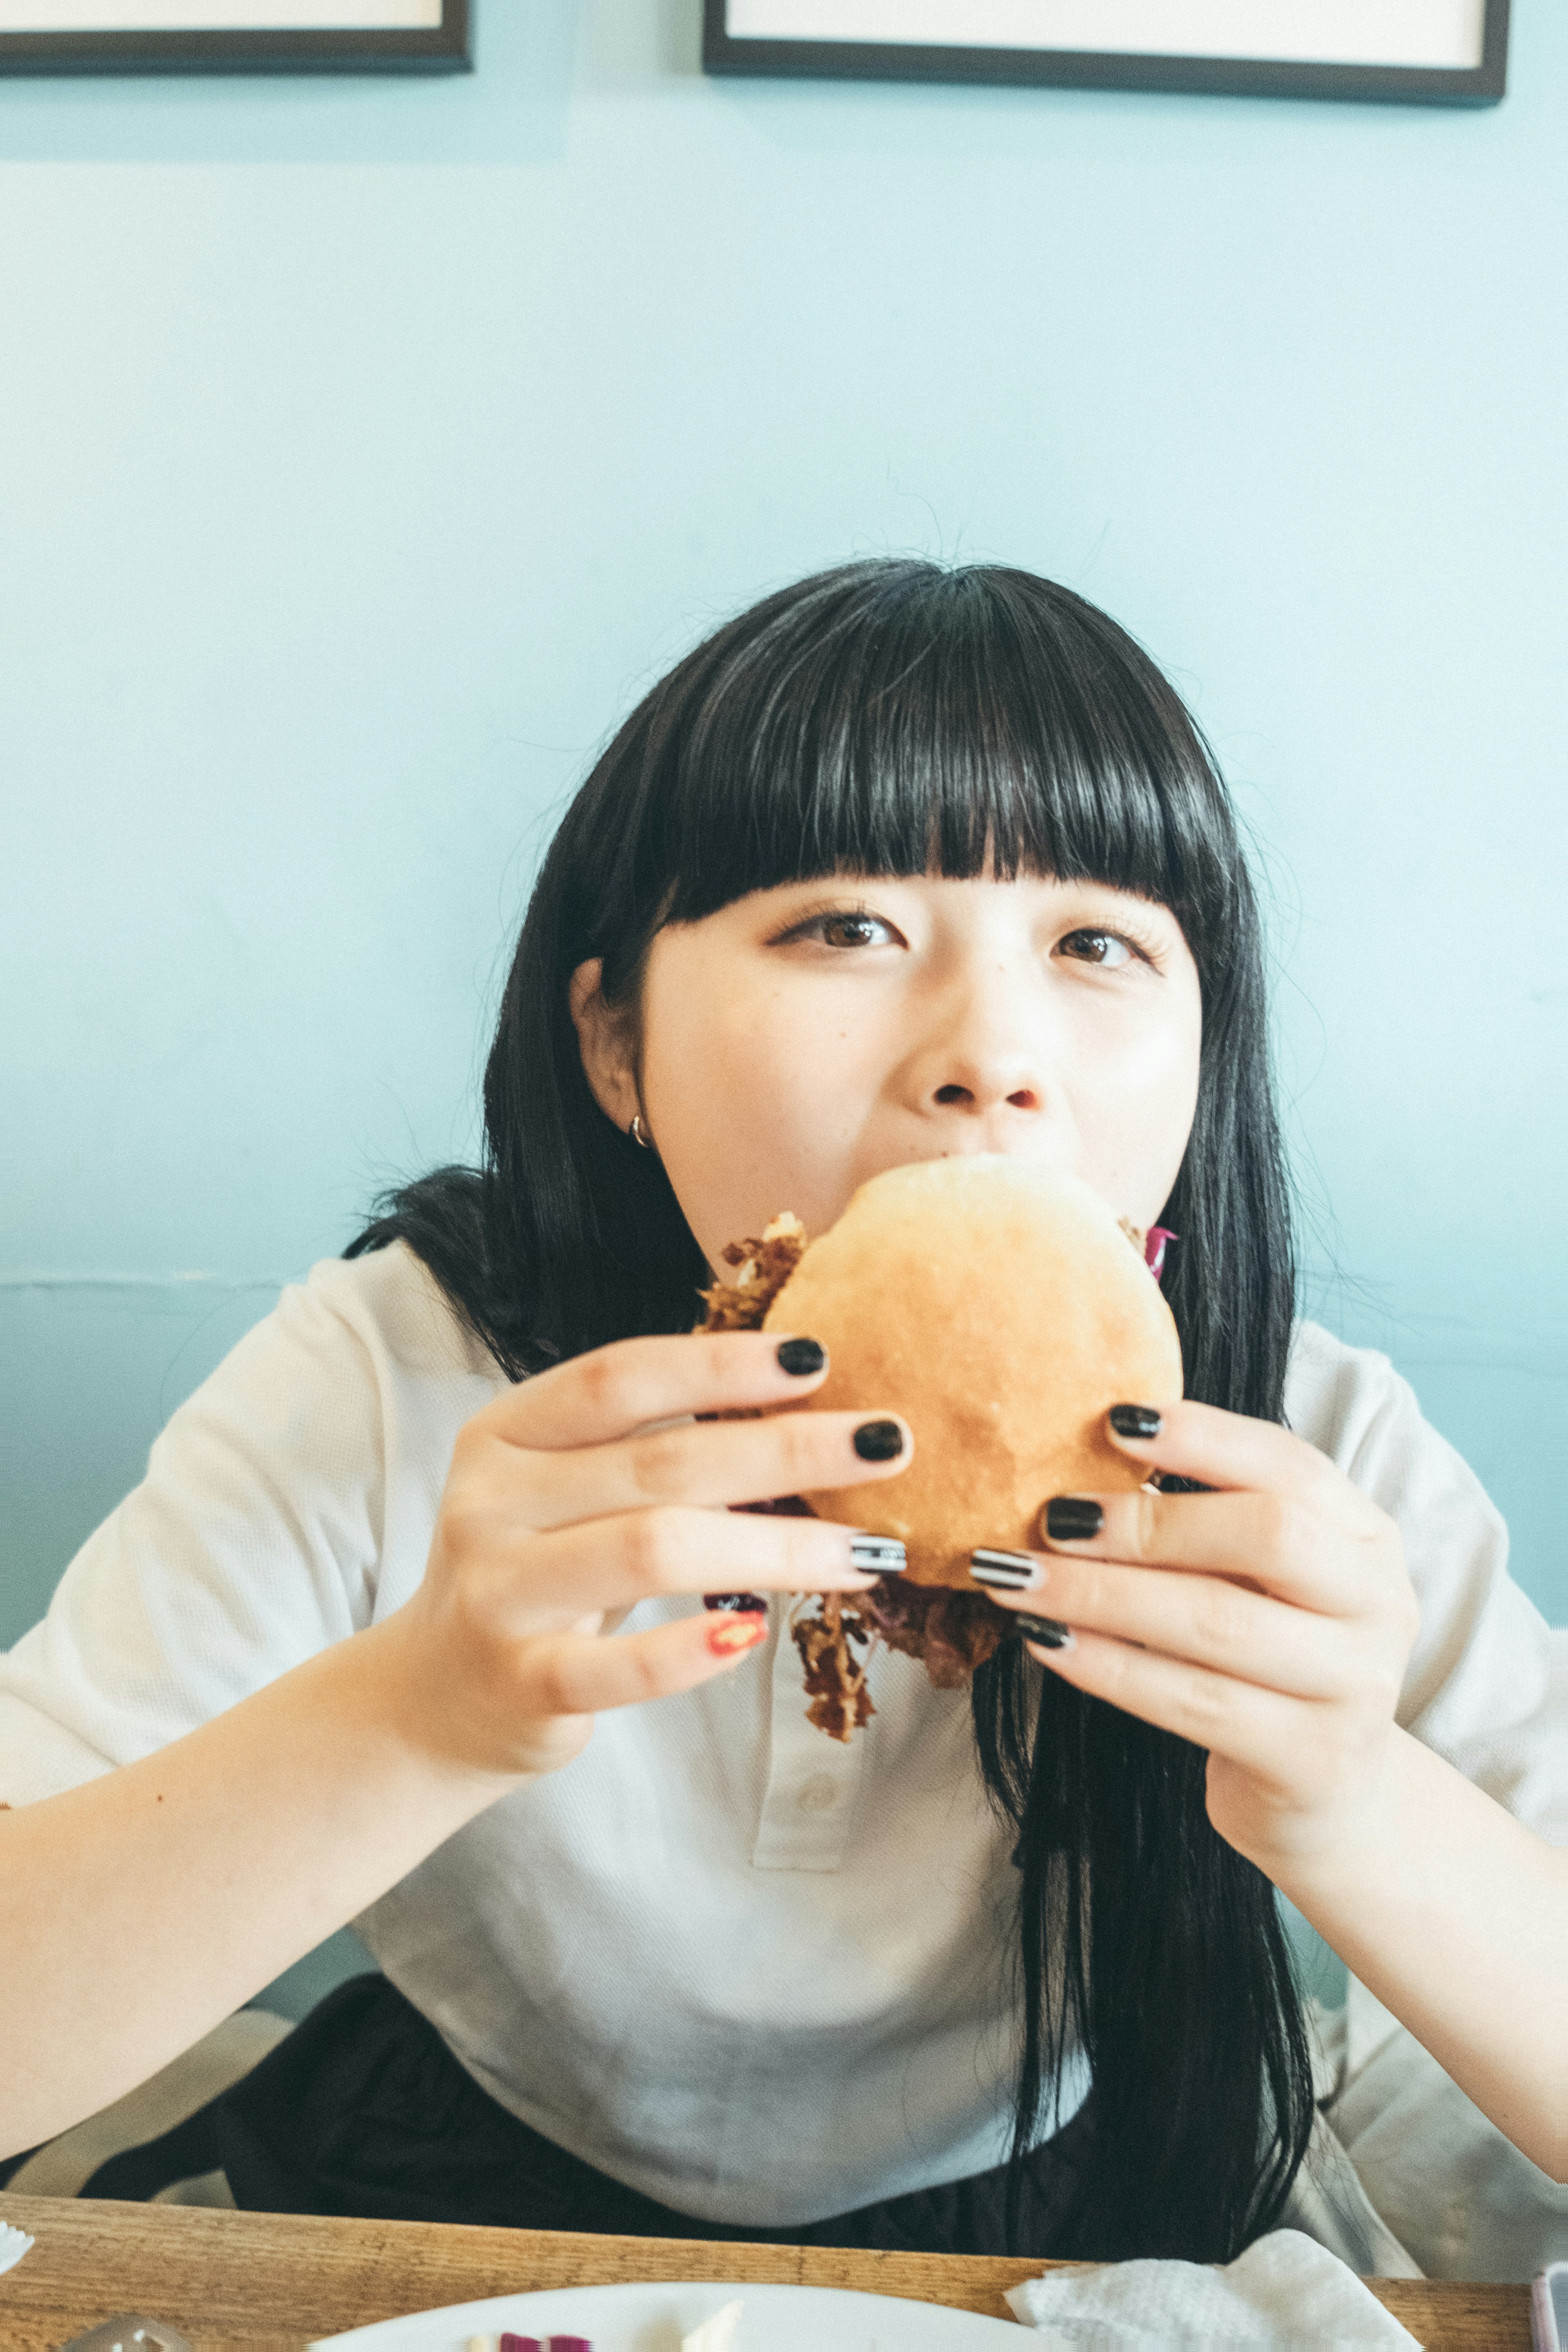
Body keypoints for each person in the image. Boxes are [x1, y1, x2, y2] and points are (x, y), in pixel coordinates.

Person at [0, 561, 1561, 2268]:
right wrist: (422, 1709)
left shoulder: (1298, 1441)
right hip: (463, 2172)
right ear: (614, 1045)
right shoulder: (401, 1374)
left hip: (1069, 2222)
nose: (991, 1055)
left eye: (1099, 943)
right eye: (846, 927)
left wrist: (1348, 1796)